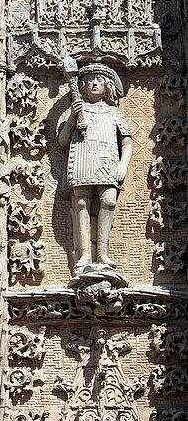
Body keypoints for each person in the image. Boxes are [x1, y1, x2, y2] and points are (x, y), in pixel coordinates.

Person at [58, 57, 133, 276]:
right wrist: (72, 119)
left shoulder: (113, 113)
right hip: (82, 160)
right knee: (81, 204)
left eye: (99, 79)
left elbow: (127, 142)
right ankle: (84, 256)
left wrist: (123, 164)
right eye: (89, 79)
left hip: (107, 161)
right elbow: (62, 142)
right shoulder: (76, 110)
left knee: (108, 201)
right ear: (82, 86)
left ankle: (102, 253)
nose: (94, 83)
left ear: (107, 85)